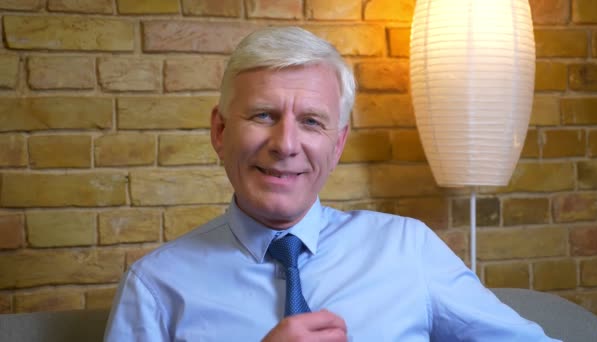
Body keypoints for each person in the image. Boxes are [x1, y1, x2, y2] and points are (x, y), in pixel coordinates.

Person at [104, 26, 558, 341]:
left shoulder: (408, 249)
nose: (285, 144)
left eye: (311, 121)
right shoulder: (155, 288)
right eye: (264, 115)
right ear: (220, 132)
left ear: (337, 144)